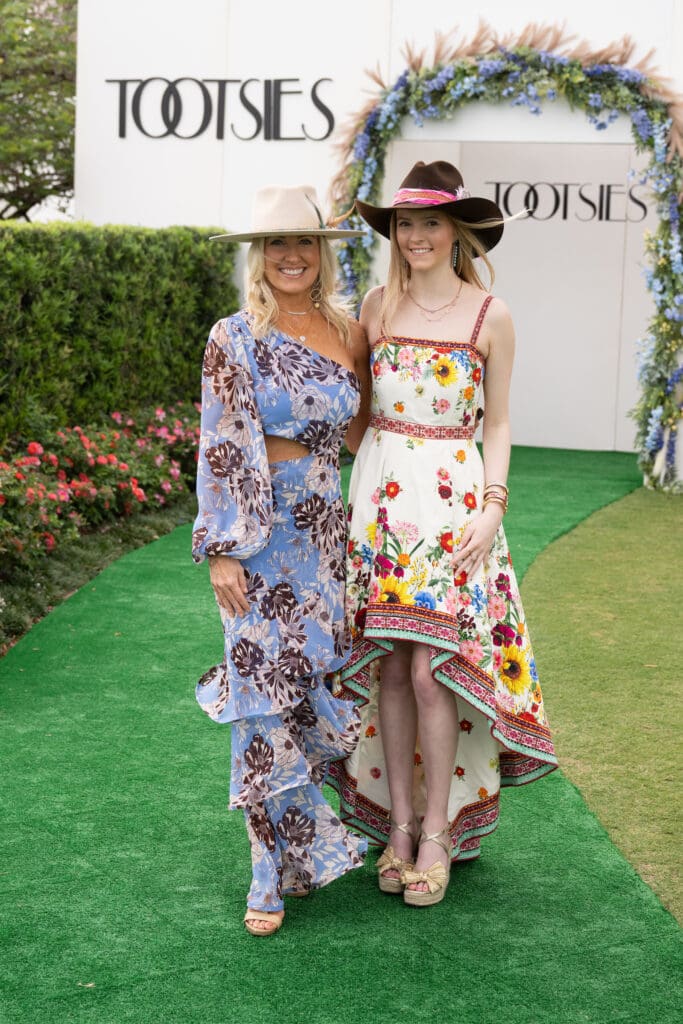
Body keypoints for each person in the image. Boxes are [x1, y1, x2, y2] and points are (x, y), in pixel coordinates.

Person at [328, 160, 557, 907]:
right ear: (392, 232)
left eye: (429, 222)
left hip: (455, 507)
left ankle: (437, 832)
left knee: (433, 670)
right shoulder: (373, 306)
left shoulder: (491, 315)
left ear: (457, 231)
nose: (416, 235)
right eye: (405, 223)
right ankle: (395, 828)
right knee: (393, 666)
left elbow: (496, 420)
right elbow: (357, 411)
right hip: (383, 505)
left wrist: (493, 506)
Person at [192, 184, 370, 935]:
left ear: (322, 252)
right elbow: (219, 445)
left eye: (303, 243)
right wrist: (222, 552)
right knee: (259, 698)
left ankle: (302, 855)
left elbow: (368, 436)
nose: (290, 256)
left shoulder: (349, 333)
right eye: (275, 244)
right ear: (258, 258)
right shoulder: (231, 335)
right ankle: (267, 866)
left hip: (325, 530)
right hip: (259, 537)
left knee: (306, 688)